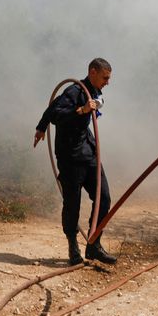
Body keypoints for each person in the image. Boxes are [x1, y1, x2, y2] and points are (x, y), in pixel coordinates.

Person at [34, 58, 117, 266]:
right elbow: (56, 113)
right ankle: (73, 246)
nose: (107, 82)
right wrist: (79, 112)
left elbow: (99, 101)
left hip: (89, 153)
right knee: (72, 203)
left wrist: (40, 127)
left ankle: (94, 244)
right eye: (105, 78)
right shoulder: (73, 92)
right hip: (70, 156)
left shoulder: (93, 92)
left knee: (104, 198)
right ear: (93, 72)